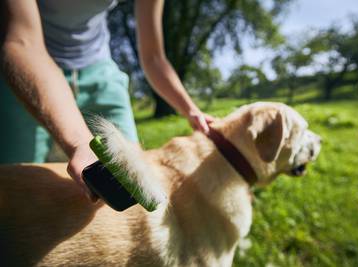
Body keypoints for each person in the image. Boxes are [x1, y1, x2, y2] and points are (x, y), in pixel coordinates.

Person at [0, 0, 214, 200]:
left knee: (136, 183)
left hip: (100, 73)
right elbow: (21, 41)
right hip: (28, 71)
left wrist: (190, 109)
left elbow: (153, 57)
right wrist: (80, 142)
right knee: (13, 194)